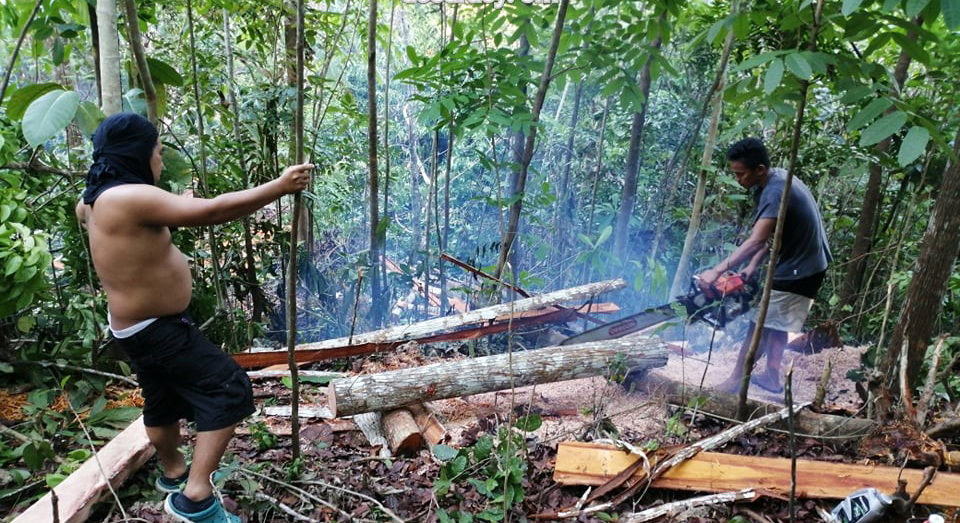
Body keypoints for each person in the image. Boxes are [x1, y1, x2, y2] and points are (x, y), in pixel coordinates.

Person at [76, 113, 313, 523]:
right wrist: (279, 186)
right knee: (228, 387)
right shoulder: (128, 198)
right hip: (156, 329)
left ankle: (174, 472)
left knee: (162, 400)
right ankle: (196, 499)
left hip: (132, 327)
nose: (160, 160)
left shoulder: (91, 202)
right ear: (137, 153)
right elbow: (212, 212)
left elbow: (140, 235)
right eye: (157, 151)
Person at [697, 137, 831, 394]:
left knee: (758, 324)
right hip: (807, 263)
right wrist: (752, 266)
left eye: (741, 174)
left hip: (800, 268)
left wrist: (717, 270)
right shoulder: (775, 178)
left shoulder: (774, 192)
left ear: (759, 169)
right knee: (776, 321)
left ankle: (736, 381)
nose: (737, 179)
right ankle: (771, 376)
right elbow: (773, 236)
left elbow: (757, 239)